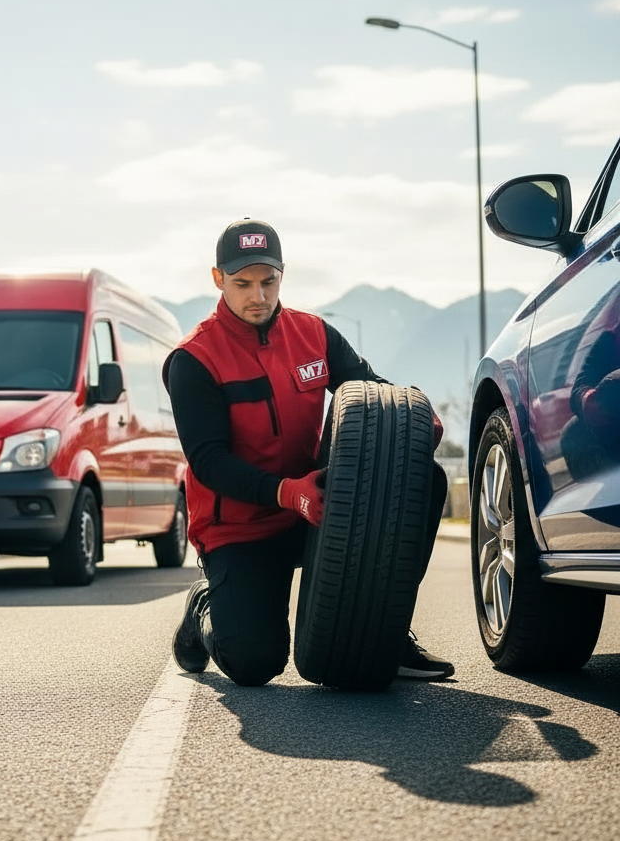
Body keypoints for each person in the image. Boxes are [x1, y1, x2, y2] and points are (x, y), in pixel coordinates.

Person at [165, 217, 453, 687]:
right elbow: (209, 462)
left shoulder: (314, 334)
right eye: (242, 284)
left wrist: (414, 423)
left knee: (426, 478)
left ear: (282, 274)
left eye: (268, 281)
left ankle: (387, 630)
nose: (258, 296)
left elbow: (370, 388)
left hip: (316, 509)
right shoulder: (194, 359)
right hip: (239, 529)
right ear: (218, 279)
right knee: (254, 663)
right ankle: (205, 607)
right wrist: (285, 492)